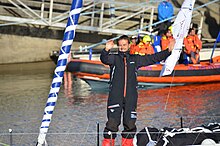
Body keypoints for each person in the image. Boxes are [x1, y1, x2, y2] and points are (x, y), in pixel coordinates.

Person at [100, 35, 175, 146]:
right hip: (115, 97)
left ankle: (127, 144)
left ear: (129, 45)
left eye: (124, 45)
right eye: (120, 45)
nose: (122, 47)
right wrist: (106, 49)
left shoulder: (135, 59)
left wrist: (168, 51)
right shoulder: (114, 59)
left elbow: (152, 58)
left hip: (131, 98)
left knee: (130, 124)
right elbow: (104, 59)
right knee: (112, 123)